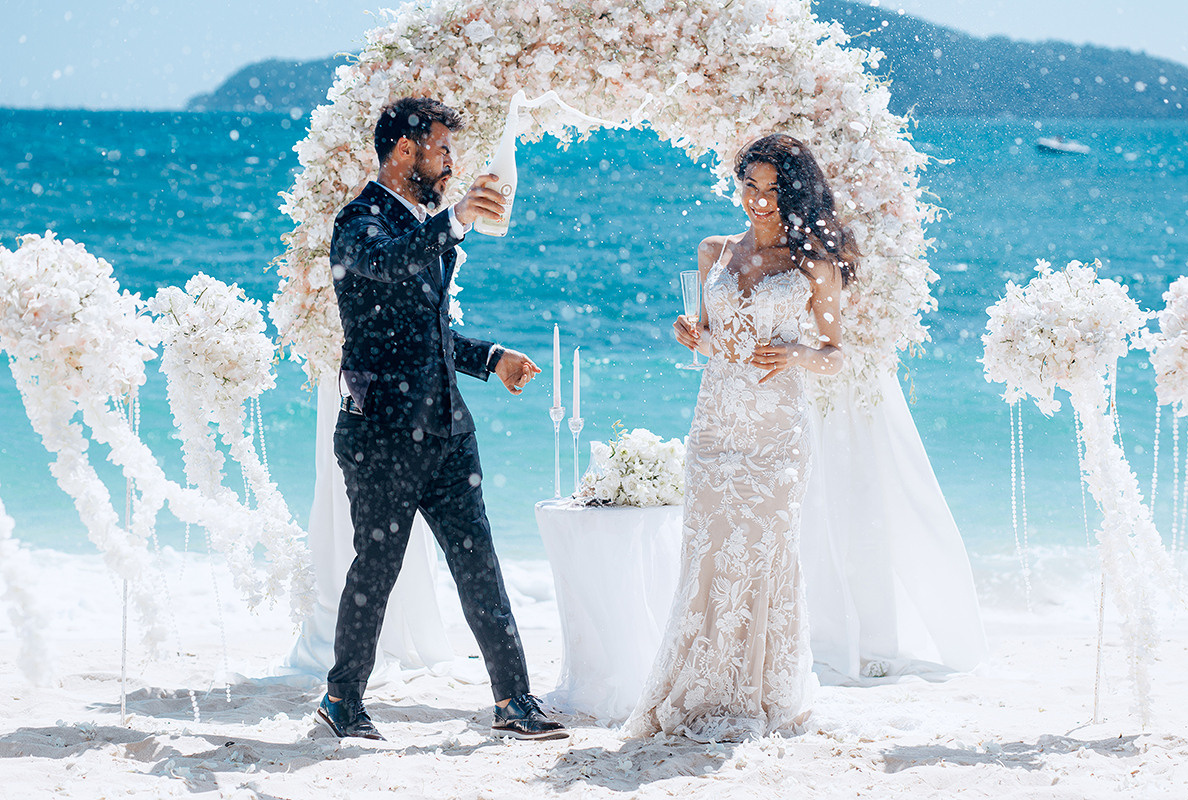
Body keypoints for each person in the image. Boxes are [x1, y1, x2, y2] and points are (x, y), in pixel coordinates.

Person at [316, 97, 566, 742]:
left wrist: (491, 358)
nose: (451, 161)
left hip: (448, 427)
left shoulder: (421, 225)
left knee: (479, 562)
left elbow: (429, 332)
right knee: (377, 568)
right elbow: (387, 264)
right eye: (443, 149)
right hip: (382, 434)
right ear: (405, 151)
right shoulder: (360, 223)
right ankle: (342, 700)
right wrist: (454, 220)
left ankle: (515, 700)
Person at [624, 134, 854, 741]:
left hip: (778, 431)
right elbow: (711, 338)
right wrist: (689, 334)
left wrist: (798, 351)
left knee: (765, 553)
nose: (758, 200)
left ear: (794, 193)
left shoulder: (814, 263)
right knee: (707, 553)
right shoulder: (713, 251)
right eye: (749, 186)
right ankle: (697, 685)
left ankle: (760, 690)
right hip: (715, 424)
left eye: (772, 190)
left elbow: (835, 356)